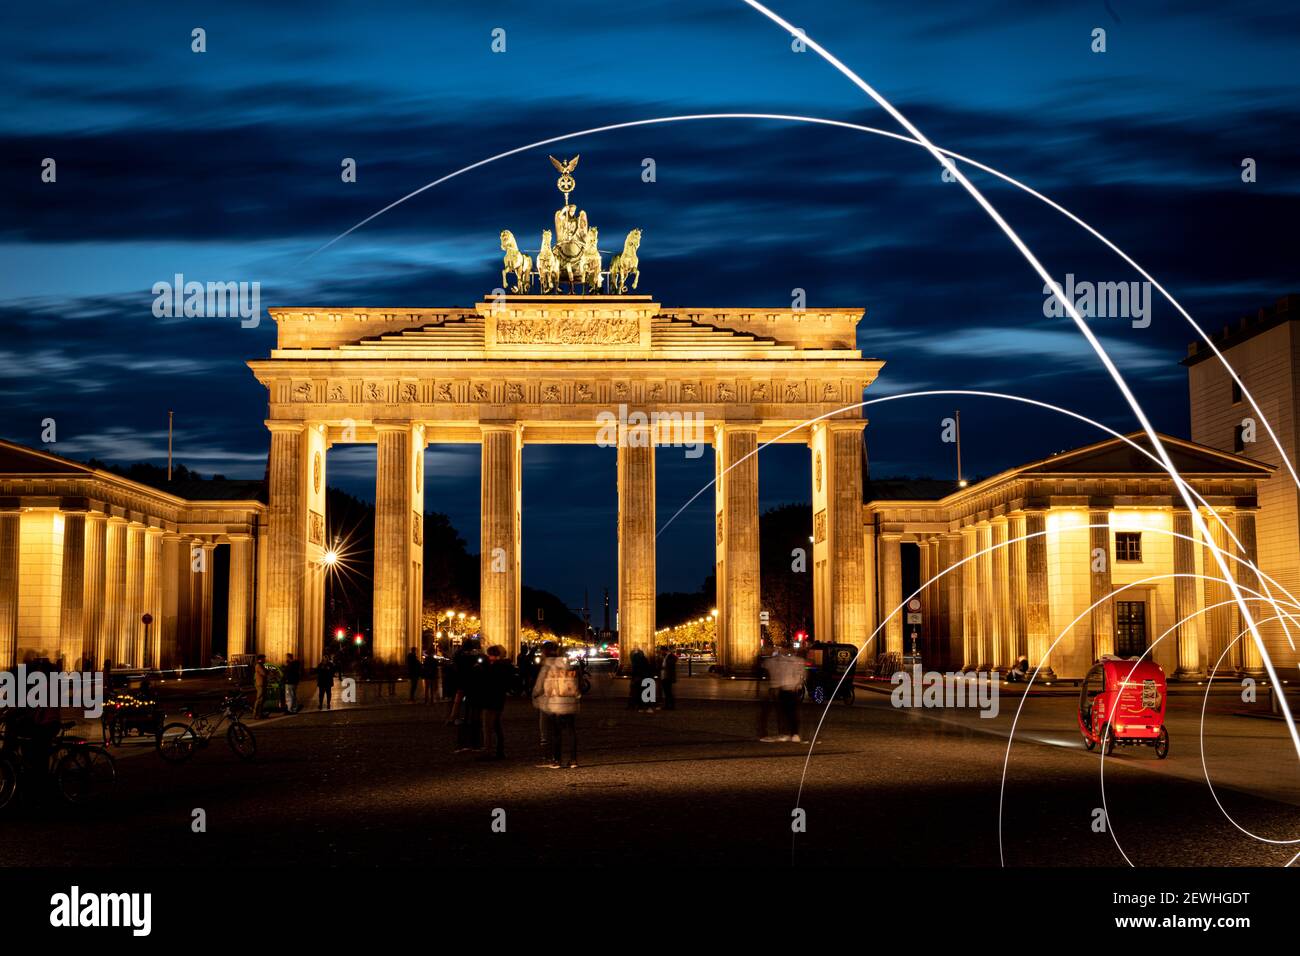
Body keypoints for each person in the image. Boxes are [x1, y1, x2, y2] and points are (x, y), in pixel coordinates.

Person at [532, 641, 580, 768]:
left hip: (556, 703)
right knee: (571, 732)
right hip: (570, 702)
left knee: (556, 732)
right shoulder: (568, 665)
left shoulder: (548, 666)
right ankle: (573, 760)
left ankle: (557, 760)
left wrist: (534, 695)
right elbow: (576, 684)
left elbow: (539, 686)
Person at [480, 645, 515, 759]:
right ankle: (500, 750)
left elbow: (487, 681)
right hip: (499, 700)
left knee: (487, 727)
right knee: (497, 726)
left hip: (490, 700)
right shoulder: (505, 666)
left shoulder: (493, 667)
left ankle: (487, 751)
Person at [762, 647, 804, 743]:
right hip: (787, 689)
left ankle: (789, 733)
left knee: (787, 712)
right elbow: (800, 674)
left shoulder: (783, 661)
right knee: (789, 712)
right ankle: (792, 733)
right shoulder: (794, 661)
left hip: (786, 689)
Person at [453, 638, 485, 752]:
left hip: (462, 690)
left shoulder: (459, 658)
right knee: (475, 719)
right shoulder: (476, 659)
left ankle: (462, 743)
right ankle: (477, 743)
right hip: (475, 691)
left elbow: (455, 665)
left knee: (462, 719)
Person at [659, 646, 678, 711]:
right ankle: (667, 705)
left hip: (668, 676)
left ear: (664, 650)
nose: (660, 652)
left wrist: (664, 666)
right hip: (664, 676)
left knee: (668, 692)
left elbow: (672, 662)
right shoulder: (665, 657)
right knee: (667, 692)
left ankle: (670, 705)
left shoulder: (670, 656)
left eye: (661, 651)